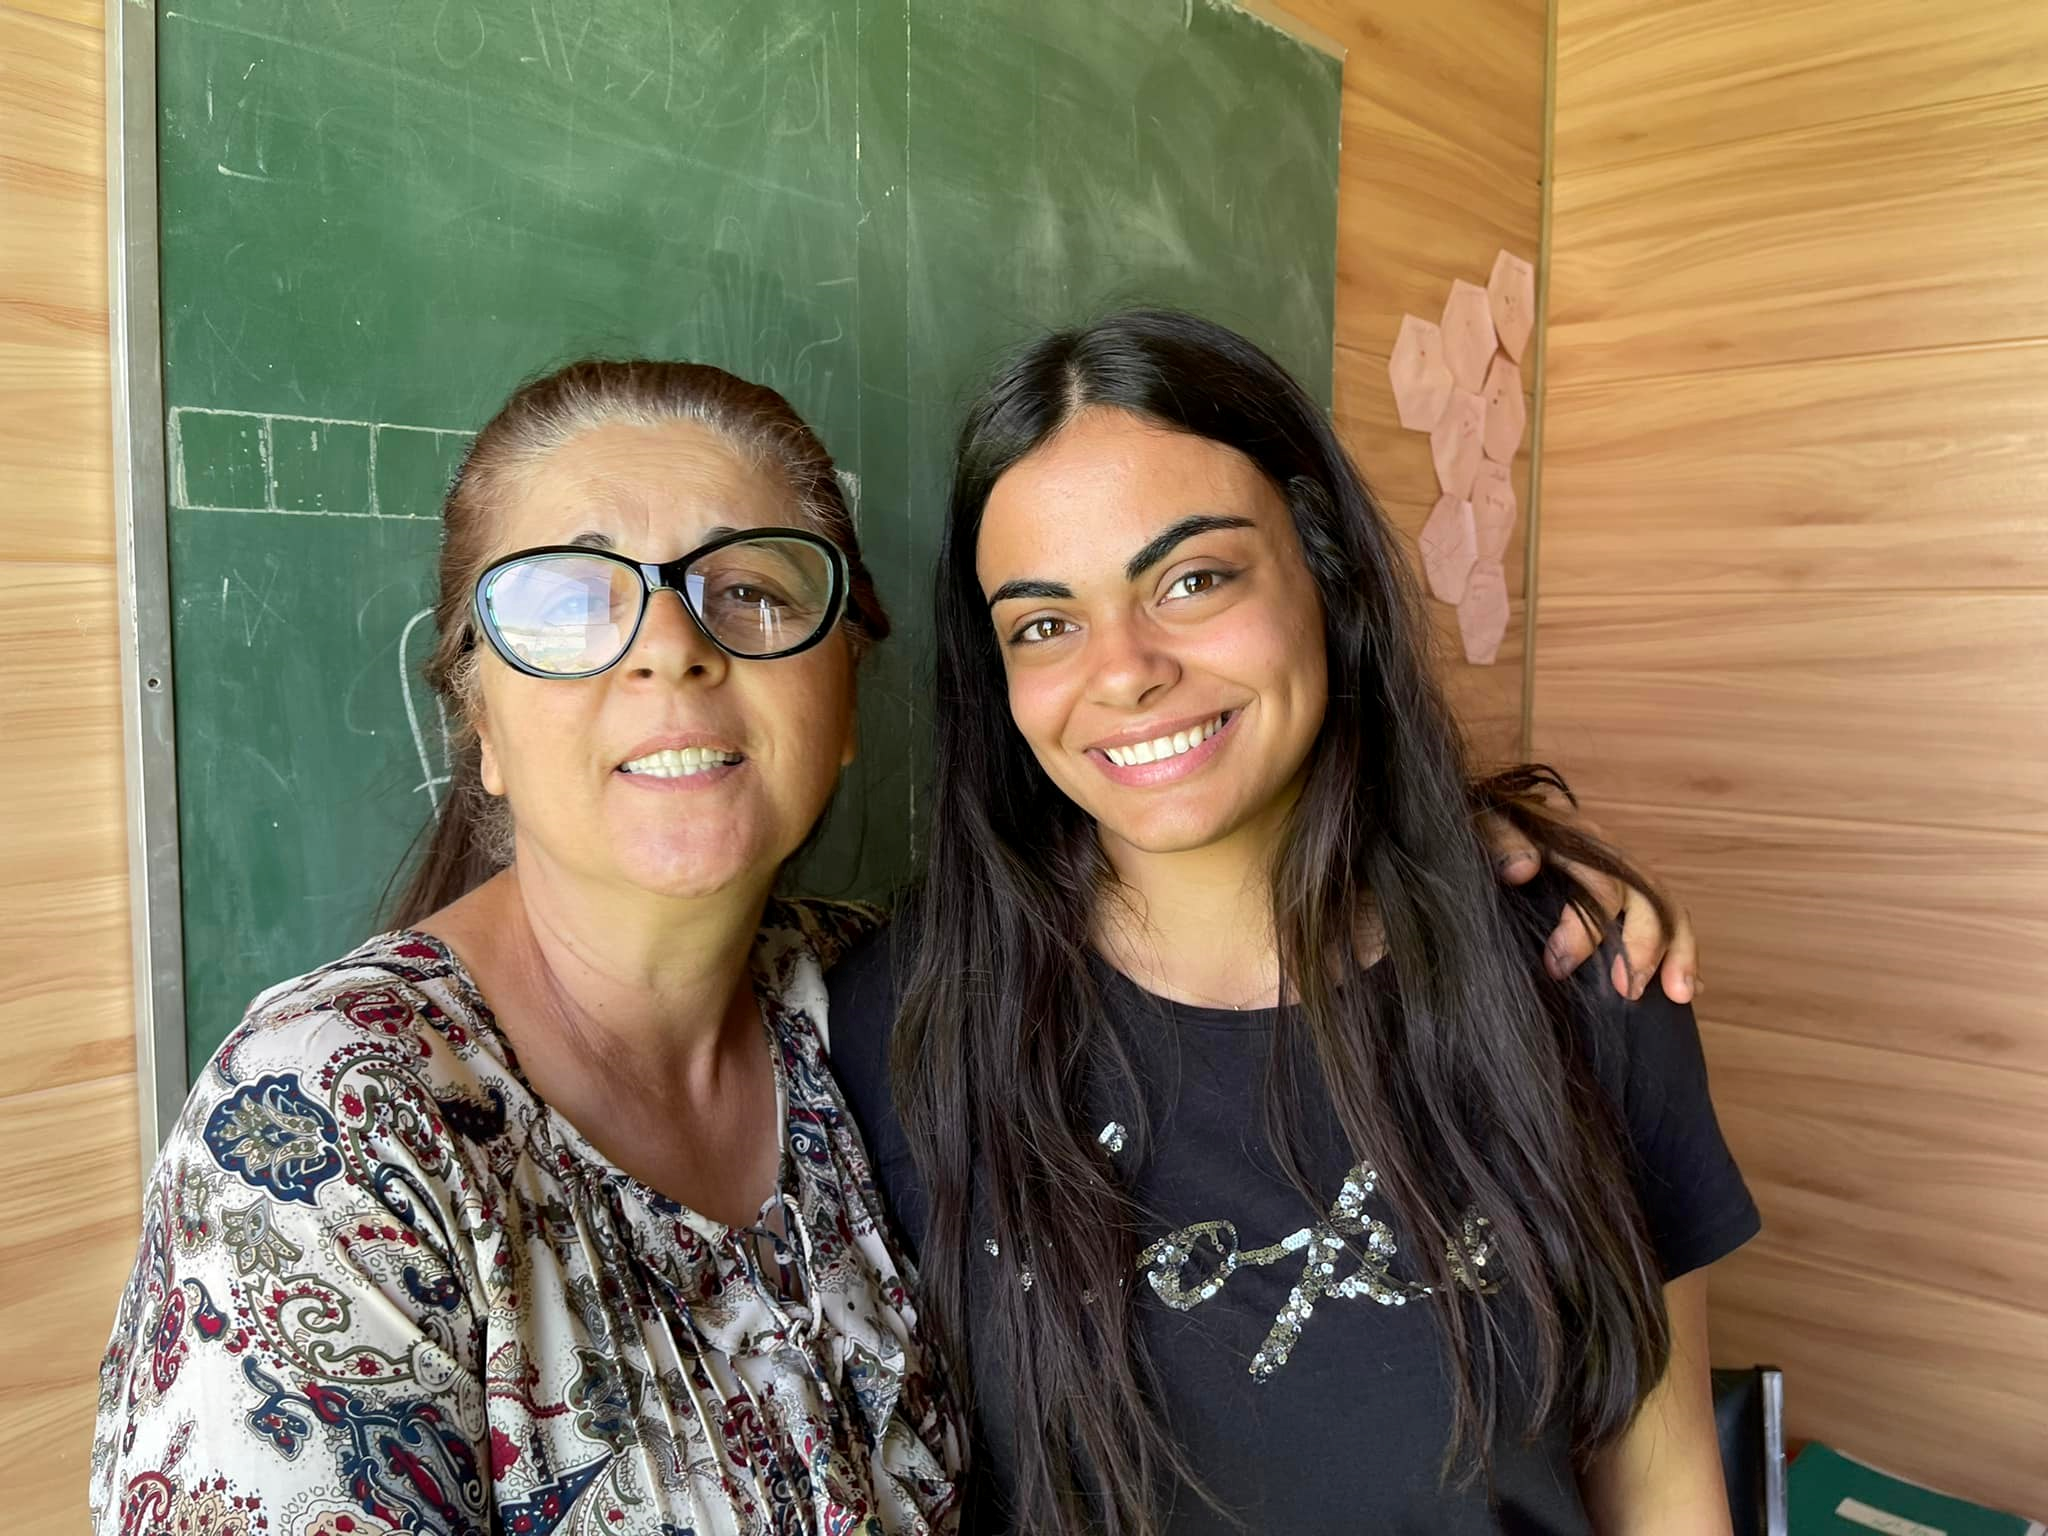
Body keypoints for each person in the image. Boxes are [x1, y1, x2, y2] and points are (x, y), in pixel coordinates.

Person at [828, 310, 1758, 1535]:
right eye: (1044, 623)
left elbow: (1660, 1483)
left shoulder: (1577, 971)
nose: (1124, 668)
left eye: (1192, 578)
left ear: (1324, 573)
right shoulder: (898, 1022)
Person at [90, 361, 962, 1535]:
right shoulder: (328, 1132)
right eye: (570, 602)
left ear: (845, 700)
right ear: (480, 719)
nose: (671, 649)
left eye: (749, 589)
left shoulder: (888, 1005)